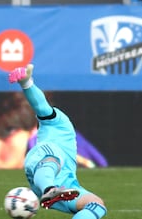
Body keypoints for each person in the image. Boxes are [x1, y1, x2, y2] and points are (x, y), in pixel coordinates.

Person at [8, 64, 107, 219]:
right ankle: (49, 189)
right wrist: (27, 83)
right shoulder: (56, 121)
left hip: (65, 186)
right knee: (53, 154)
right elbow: (40, 105)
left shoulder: (60, 132)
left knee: (97, 204)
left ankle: (50, 190)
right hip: (44, 168)